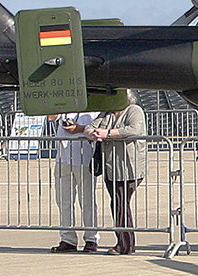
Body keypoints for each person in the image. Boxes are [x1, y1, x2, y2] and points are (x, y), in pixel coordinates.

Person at [87, 94, 146, 254]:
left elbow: (134, 129)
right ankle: (125, 242)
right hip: (111, 167)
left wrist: (108, 133)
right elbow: (90, 126)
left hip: (129, 167)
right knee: (117, 203)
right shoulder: (107, 113)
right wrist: (93, 133)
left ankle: (124, 244)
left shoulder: (134, 110)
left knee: (120, 203)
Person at [48, 111, 99, 253]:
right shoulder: (65, 104)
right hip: (63, 157)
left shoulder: (93, 108)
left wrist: (80, 128)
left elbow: (98, 127)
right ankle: (67, 238)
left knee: (87, 201)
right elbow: (51, 116)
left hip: (84, 157)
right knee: (64, 201)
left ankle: (91, 238)